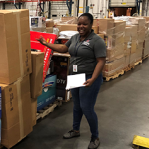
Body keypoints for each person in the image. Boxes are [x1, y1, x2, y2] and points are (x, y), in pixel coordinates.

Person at [37, 13, 106, 149]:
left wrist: (93, 78)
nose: (81, 26)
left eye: (84, 24)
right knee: (77, 106)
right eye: (79, 23)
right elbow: (64, 48)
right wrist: (46, 43)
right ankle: (75, 130)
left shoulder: (96, 41)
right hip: (75, 77)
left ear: (91, 25)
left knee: (87, 108)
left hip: (88, 78)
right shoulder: (75, 38)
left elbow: (101, 61)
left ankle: (95, 136)